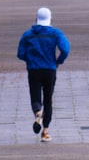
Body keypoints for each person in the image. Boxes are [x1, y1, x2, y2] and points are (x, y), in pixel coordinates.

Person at [17, 7, 70, 142]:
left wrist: (30, 60)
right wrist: (59, 61)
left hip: (34, 70)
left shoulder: (27, 34)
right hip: (50, 70)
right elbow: (65, 48)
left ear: (36, 19)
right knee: (48, 100)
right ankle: (45, 131)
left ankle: (37, 112)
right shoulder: (56, 33)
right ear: (50, 19)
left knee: (35, 97)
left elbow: (20, 53)